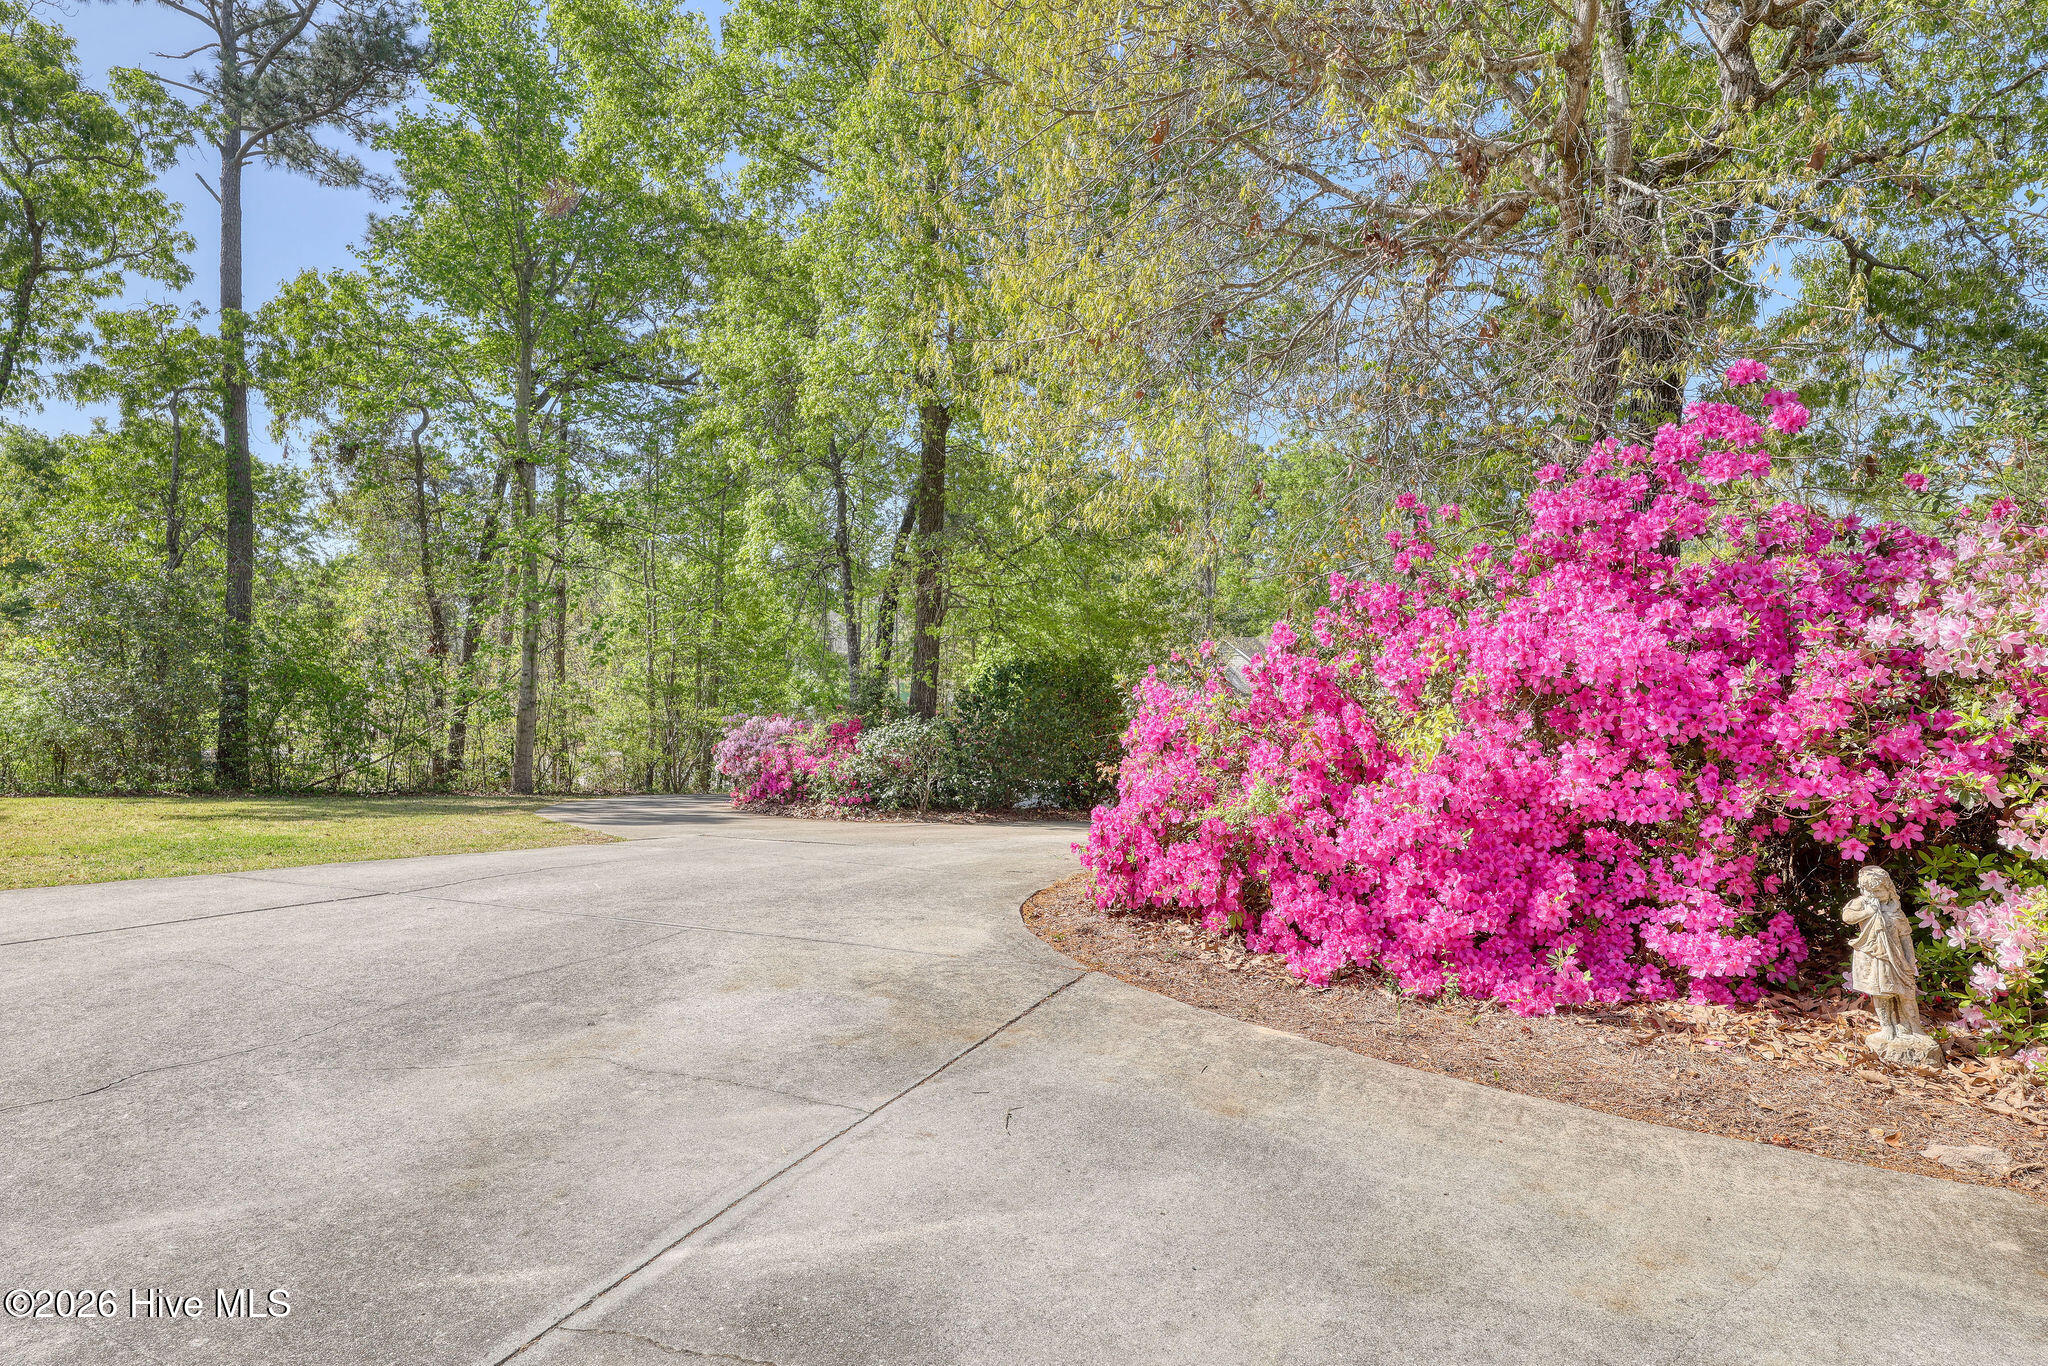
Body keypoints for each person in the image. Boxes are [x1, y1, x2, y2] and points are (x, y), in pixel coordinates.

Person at [1843, 866, 1923, 1039]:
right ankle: (1887, 1027)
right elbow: (1847, 917)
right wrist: (1868, 912)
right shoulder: (1865, 904)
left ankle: (1915, 1027)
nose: (1874, 896)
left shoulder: (1895, 911)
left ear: (1889, 890)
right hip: (1874, 957)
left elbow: (1905, 937)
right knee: (1881, 994)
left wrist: (1911, 960)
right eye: (1868, 891)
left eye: (1878, 891)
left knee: (1907, 993)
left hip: (1897, 958)